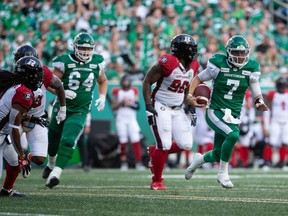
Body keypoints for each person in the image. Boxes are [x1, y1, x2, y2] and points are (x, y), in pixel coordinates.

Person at [185, 35, 268, 189]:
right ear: (229, 52)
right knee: (233, 135)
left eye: (243, 53)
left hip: (234, 114)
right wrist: (189, 95)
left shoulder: (251, 67)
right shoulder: (218, 63)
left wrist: (259, 101)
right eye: (236, 52)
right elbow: (198, 78)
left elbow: (255, 87)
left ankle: (196, 162)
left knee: (217, 153)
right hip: (215, 111)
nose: (240, 56)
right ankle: (223, 173)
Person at [42, 32, 108, 189]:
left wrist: (103, 96)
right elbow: (49, 83)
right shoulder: (64, 61)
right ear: (75, 47)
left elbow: (103, 80)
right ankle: (51, 164)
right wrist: (62, 90)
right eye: (82, 48)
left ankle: (56, 173)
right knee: (53, 140)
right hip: (62, 107)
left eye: (88, 48)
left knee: (69, 139)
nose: (85, 51)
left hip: (80, 110)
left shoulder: (97, 61)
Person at [143, 34, 200, 190]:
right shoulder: (168, 62)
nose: (193, 52)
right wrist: (148, 104)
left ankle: (154, 152)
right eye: (190, 49)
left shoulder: (194, 65)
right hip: (160, 105)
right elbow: (147, 81)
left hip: (177, 108)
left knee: (186, 144)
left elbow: (186, 85)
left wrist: (190, 104)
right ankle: (157, 181)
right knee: (165, 145)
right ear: (181, 50)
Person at [12, 45, 66, 172]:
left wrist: (63, 107)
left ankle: (26, 156)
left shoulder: (44, 72)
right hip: (16, 120)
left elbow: (58, 85)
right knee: (14, 156)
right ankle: (8, 188)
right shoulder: (13, 77)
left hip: (36, 119)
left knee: (40, 159)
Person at [0, 56, 44, 197]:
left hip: (3, 133)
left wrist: (33, 118)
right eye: (36, 74)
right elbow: (14, 127)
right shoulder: (23, 92)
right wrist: (22, 155)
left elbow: (13, 114)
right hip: (3, 132)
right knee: (15, 162)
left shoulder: (18, 86)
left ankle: (7, 190)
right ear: (28, 75)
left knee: (14, 165)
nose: (39, 77)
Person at [111, 75, 145, 171]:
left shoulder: (133, 91)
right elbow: (113, 106)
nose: (126, 83)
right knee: (123, 141)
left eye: (127, 81)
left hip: (131, 119)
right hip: (121, 119)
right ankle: (123, 162)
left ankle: (139, 162)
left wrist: (130, 104)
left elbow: (137, 106)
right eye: (124, 81)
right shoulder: (117, 92)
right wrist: (122, 102)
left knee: (136, 139)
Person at [262, 77, 288, 169]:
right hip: (275, 121)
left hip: (286, 122)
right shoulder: (272, 94)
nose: (282, 88)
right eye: (280, 86)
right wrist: (266, 126)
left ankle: (282, 162)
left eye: (283, 86)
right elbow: (267, 110)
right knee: (271, 142)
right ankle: (267, 162)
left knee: (285, 142)